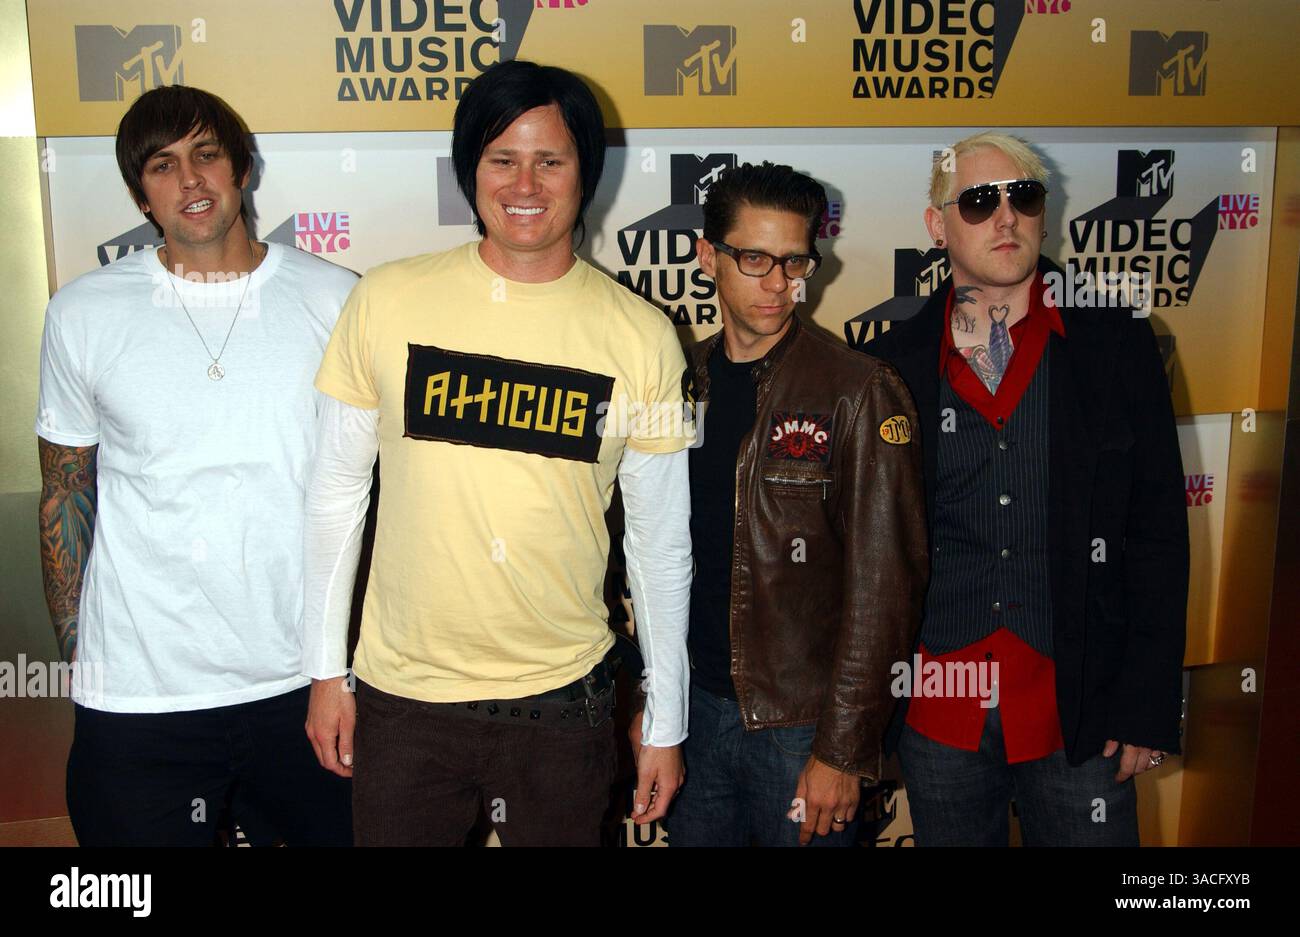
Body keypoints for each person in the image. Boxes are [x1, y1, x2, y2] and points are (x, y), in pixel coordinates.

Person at [302, 60, 694, 846]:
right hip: (403, 700)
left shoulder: (642, 334)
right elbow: (334, 496)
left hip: (564, 706)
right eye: (502, 158)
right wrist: (323, 671)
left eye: (551, 159)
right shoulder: (385, 299)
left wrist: (668, 715)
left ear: (586, 172)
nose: (526, 183)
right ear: (468, 170)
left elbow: (660, 541)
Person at [35, 85, 356, 846]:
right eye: (163, 165)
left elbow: (367, 493)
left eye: (207, 154)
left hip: (302, 687)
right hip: (140, 705)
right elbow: (64, 493)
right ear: (141, 195)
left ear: (242, 167)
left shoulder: (336, 300)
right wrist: (86, 658)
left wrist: (341, 666)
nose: (191, 181)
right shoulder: (82, 313)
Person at [865, 131, 1189, 846]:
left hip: (1083, 710)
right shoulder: (888, 364)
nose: (1005, 217)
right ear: (937, 225)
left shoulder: (1117, 342)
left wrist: (1145, 705)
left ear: (1045, 214)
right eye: (979, 201)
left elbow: (1158, 533)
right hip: (938, 711)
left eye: (1024, 197)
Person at [664, 162, 928, 847]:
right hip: (692, 715)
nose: (778, 283)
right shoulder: (676, 380)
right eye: (754, 258)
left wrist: (842, 747)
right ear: (706, 256)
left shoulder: (857, 389)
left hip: (802, 725)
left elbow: (885, 585)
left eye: (794, 261)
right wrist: (652, 702)